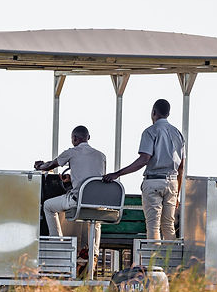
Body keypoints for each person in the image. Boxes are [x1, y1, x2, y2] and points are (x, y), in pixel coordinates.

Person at [103, 98, 185, 240]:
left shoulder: (150, 132)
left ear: (153, 112)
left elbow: (144, 160)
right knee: (168, 225)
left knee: (153, 225)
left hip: (153, 181)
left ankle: (153, 260)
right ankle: (171, 261)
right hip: (172, 183)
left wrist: (117, 173)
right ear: (168, 114)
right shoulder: (178, 133)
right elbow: (182, 167)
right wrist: (177, 193)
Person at [34, 125, 107, 243]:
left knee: (48, 206)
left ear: (74, 138)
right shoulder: (101, 156)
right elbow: (94, 178)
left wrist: (39, 166)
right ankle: (94, 254)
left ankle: (57, 243)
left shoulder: (71, 152)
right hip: (97, 201)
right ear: (88, 137)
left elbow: (50, 166)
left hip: (78, 200)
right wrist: (71, 178)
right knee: (95, 219)